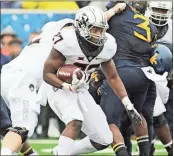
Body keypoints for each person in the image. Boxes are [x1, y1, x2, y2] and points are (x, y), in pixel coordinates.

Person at [42, 5, 142, 156]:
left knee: (104, 138)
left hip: (81, 89)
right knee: (75, 120)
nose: (99, 34)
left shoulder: (107, 45)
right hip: (58, 87)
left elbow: (113, 76)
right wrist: (66, 86)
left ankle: (61, 152)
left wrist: (128, 104)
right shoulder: (67, 40)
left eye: (102, 30)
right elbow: (47, 74)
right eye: (95, 30)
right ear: (82, 27)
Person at [1, 18, 76, 155]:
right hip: (23, 79)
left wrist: (112, 11)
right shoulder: (68, 36)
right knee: (22, 128)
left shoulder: (49, 30)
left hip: (8, 74)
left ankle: (30, 153)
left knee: (11, 126)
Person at [99, 1, 158, 156]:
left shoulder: (117, 16)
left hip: (120, 74)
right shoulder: (151, 26)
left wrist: (112, 11)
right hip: (143, 76)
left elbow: (95, 23)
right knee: (137, 114)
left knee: (109, 121)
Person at [145, 1, 173, 155]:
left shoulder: (172, 27)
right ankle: (149, 145)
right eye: (157, 9)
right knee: (151, 114)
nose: (160, 14)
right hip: (146, 76)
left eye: (163, 11)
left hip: (168, 77)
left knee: (166, 113)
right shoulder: (141, 23)